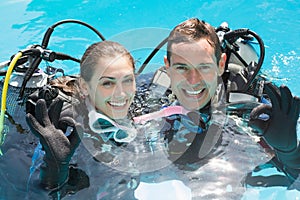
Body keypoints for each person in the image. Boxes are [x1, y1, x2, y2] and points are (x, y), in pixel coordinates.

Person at [152, 18, 300, 198]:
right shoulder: (148, 95)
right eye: (182, 67)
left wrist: (289, 153)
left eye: (204, 67)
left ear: (221, 64)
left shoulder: (254, 112)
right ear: (167, 66)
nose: (193, 80)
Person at [13, 40, 138, 199]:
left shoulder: (134, 107)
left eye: (127, 80)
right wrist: (55, 166)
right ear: (85, 87)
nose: (121, 94)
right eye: (107, 83)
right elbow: (34, 195)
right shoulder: (63, 126)